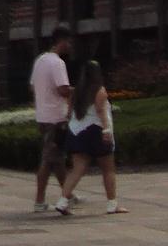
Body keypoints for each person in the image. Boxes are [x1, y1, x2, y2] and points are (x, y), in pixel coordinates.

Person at [54, 60, 126, 215]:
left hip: (77, 131)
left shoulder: (76, 92)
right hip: (96, 131)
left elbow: (69, 113)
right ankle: (112, 203)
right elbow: (101, 111)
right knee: (108, 169)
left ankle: (63, 201)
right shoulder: (99, 90)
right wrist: (107, 130)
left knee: (77, 169)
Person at [30, 25, 74, 212]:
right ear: (62, 41)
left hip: (42, 115)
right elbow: (63, 89)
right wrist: (79, 91)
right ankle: (40, 200)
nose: (70, 46)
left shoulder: (40, 60)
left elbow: (33, 86)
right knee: (48, 160)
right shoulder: (57, 63)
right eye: (69, 42)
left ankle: (68, 194)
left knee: (57, 159)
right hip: (56, 117)